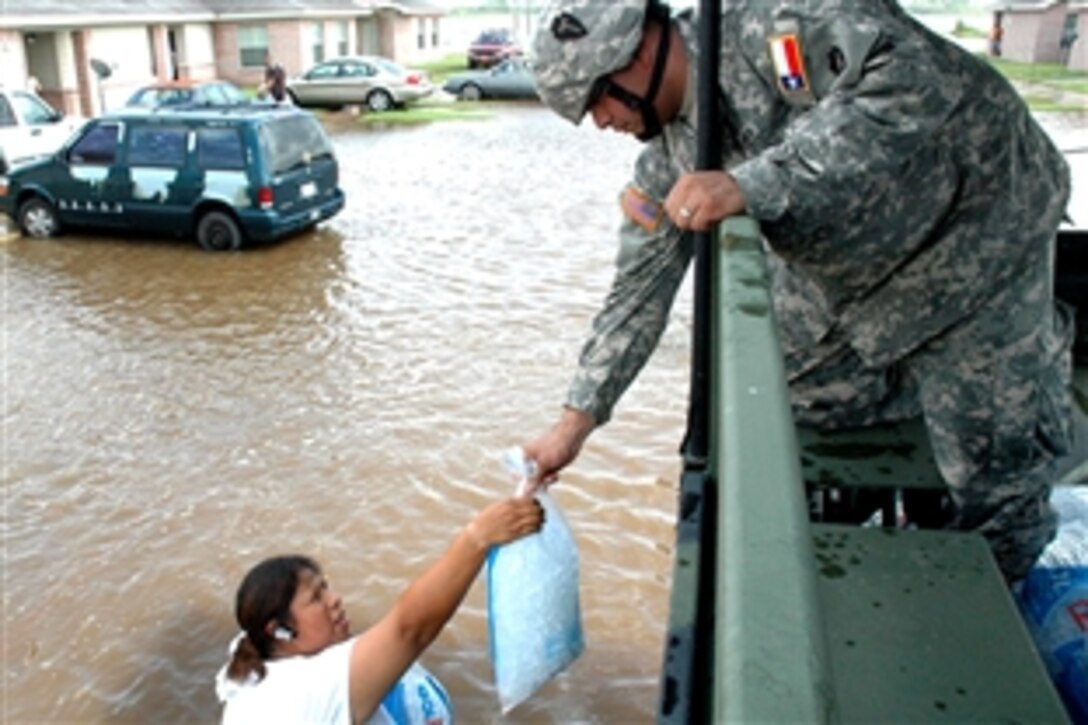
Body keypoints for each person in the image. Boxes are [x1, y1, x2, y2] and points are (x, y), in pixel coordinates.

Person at [523, 0, 1073, 583]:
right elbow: (635, 294)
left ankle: (1000, 589)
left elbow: (914, 80)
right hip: (867, 271)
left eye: (597, 101)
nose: (602, 123)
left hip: (978, 231)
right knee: (782, 391)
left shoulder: (780, 25)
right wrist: (573, 425)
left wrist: (754, 183)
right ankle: (911, 390)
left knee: (993, 471)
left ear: (634, 55)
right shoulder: (668, 160)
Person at [215, 496, 544, 722]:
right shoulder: (303, 694)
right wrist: (477, 538)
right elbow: (410, 629)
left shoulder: (255, 648)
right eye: (316, 598)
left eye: (325, 586)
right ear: (281, 631)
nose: (334, 599)